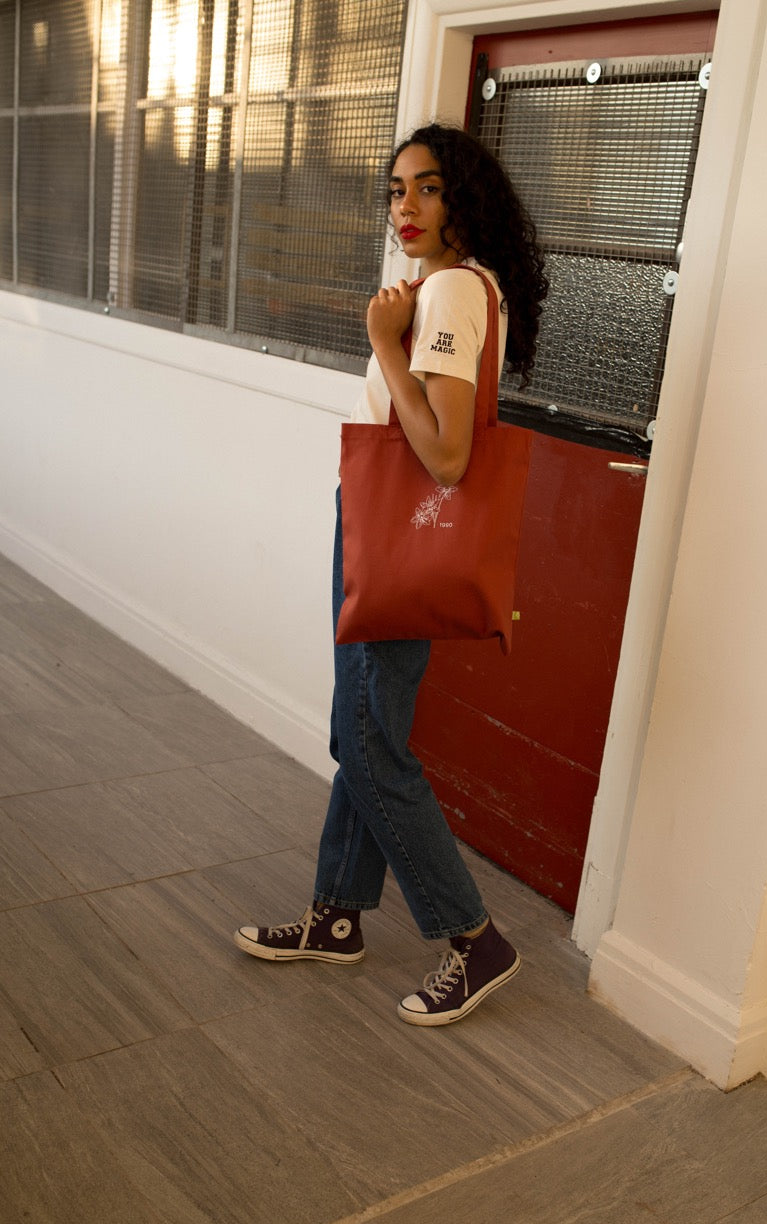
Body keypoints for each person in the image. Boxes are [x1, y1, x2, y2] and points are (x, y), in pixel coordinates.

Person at [235, 123, 547, 1026]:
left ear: (465, 199)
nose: (404, 207)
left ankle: (473, 936)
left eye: (428, 189)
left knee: (369, 744)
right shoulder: (461, 285)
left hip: (393, 532)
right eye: (396, 190)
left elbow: (446, 455)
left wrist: (381, 341)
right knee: (363, 729)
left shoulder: (449, 291)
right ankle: (337, 916)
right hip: (384, 528)